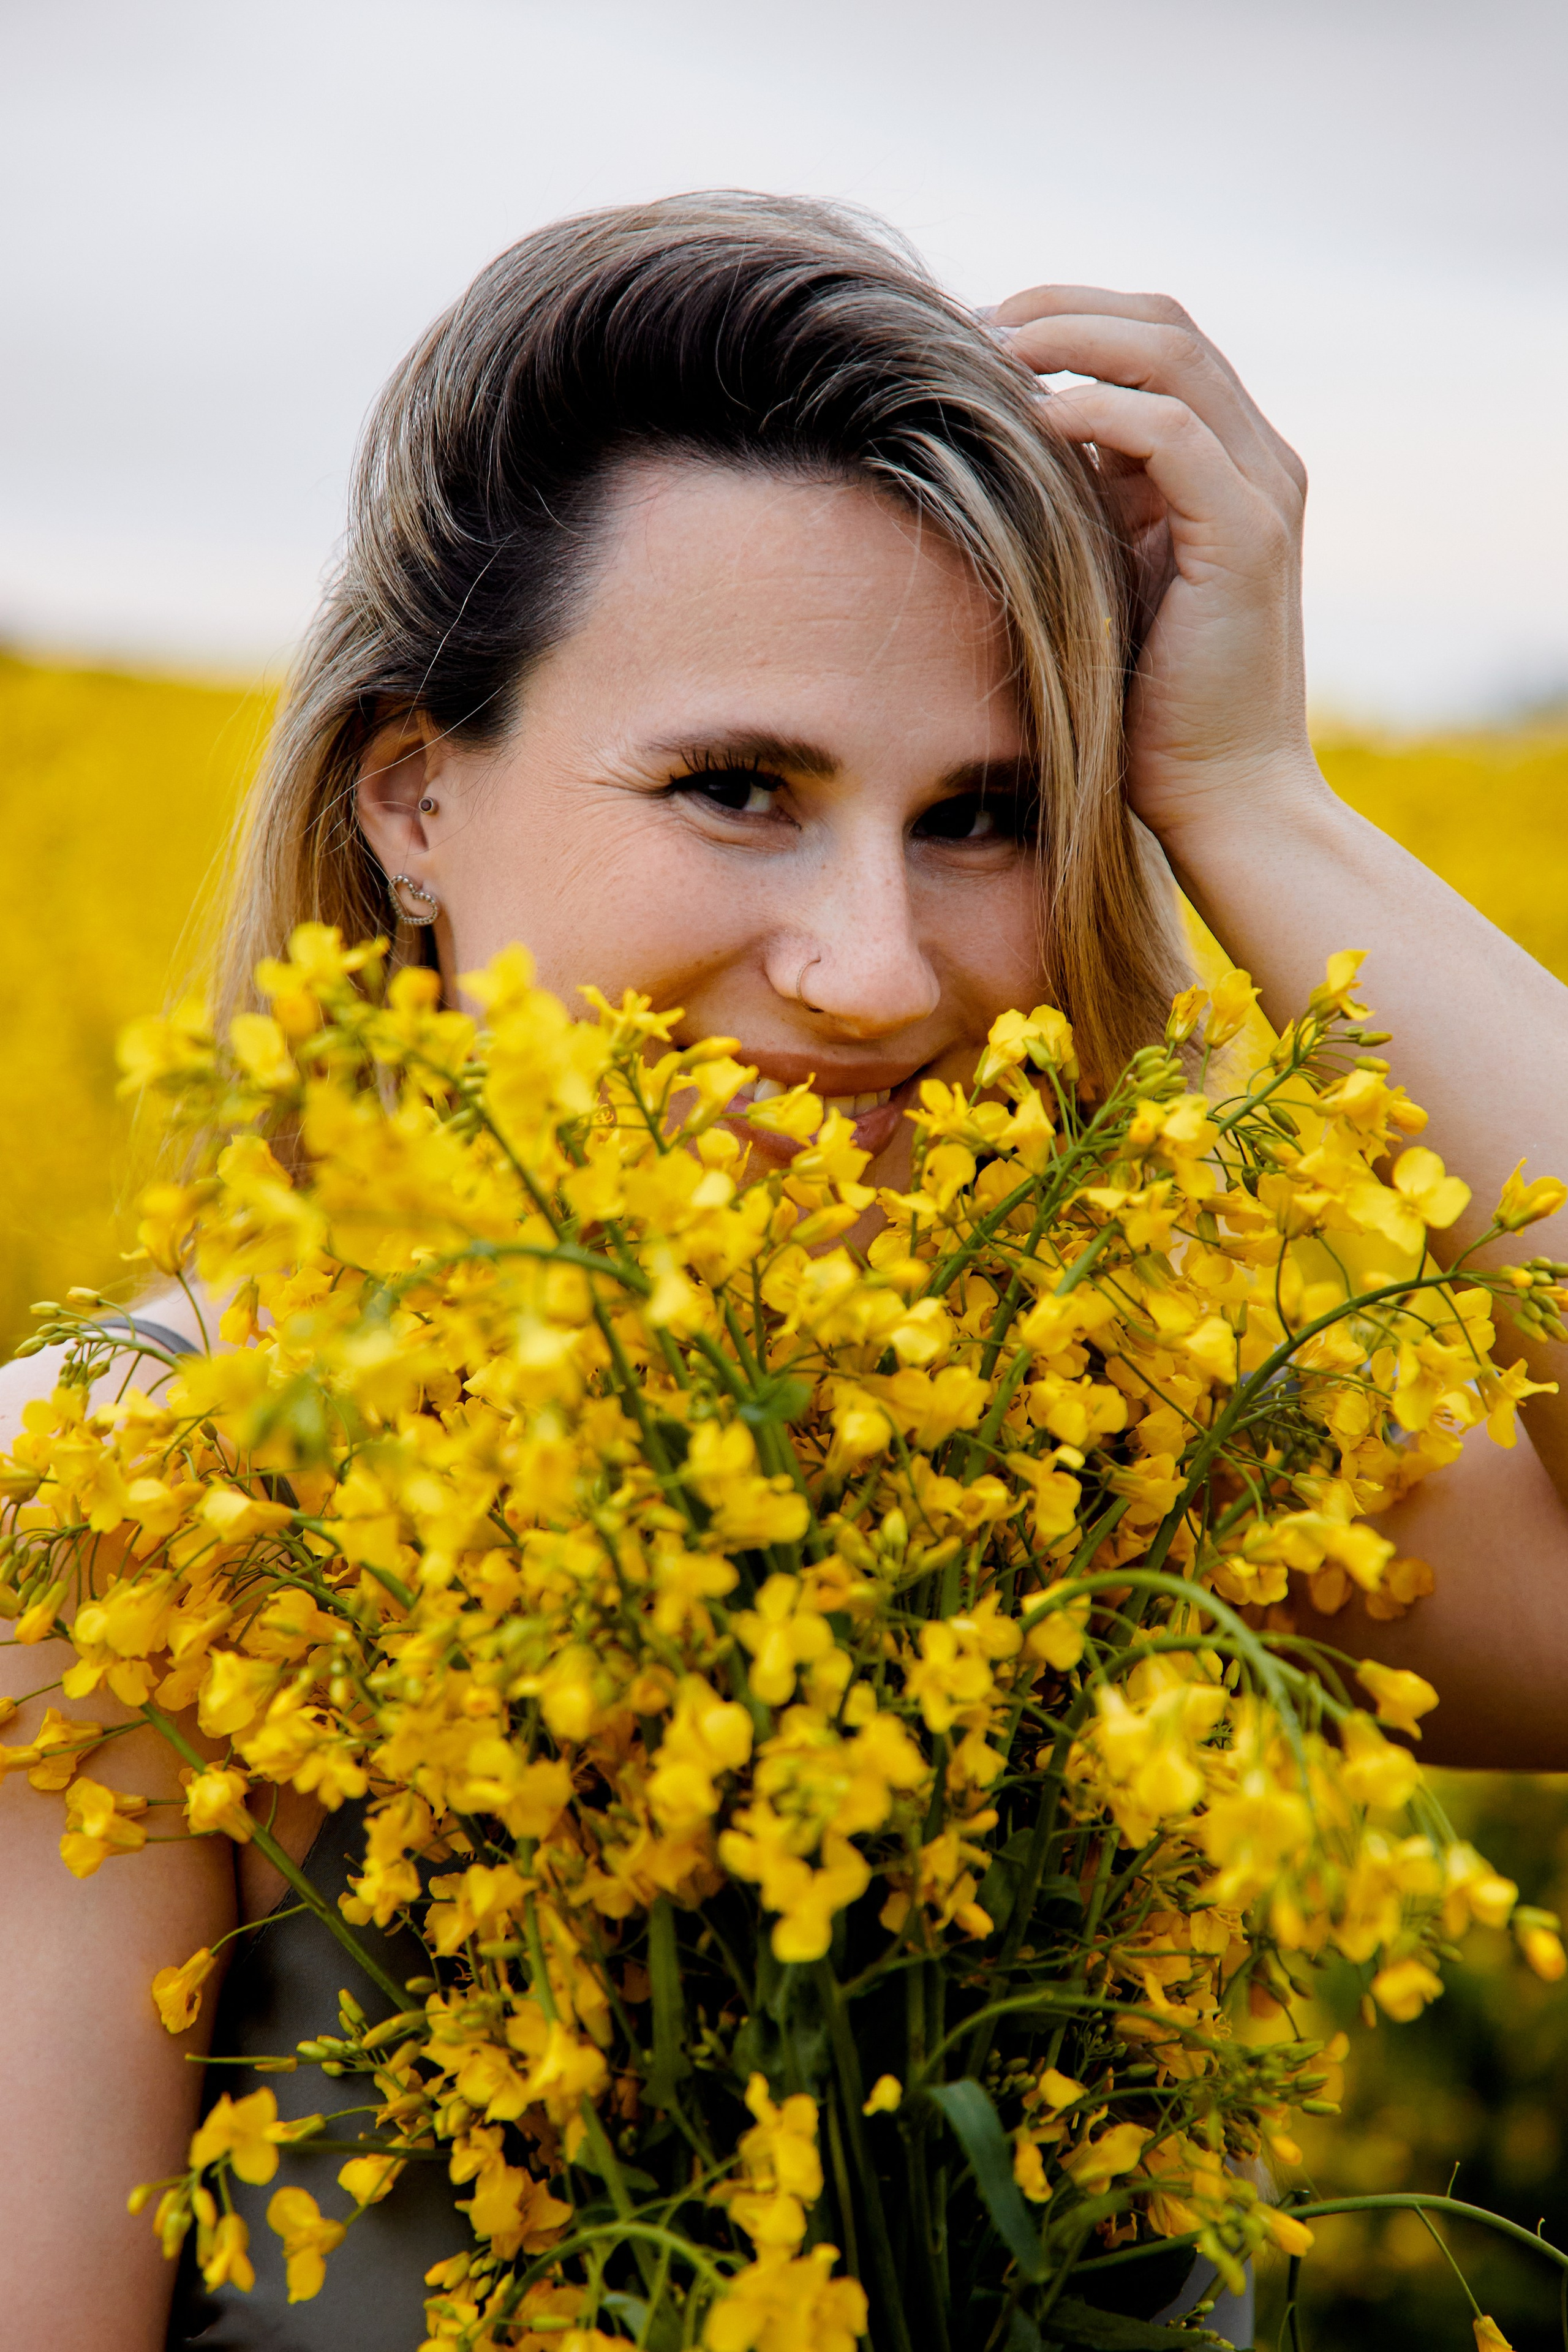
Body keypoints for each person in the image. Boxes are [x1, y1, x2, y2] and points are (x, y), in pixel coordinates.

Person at [2, 192, 1566, 2352]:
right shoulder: (133, 1525)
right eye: (738, 787)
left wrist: (1252, 793)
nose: (874, 969)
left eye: (991, 816)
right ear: (410, 802)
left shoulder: (1089, 1436)